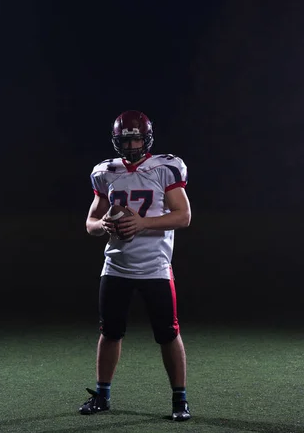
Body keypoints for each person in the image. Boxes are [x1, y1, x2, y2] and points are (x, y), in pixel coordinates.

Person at [80, 110, 192, 421]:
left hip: (155, 265)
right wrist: (102, 223)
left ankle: (179, 400)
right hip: (116, 266)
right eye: (126, 140)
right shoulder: (106, 171)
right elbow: (89, 223)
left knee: (168, 333)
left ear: (147, 138)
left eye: (137, 139)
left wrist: (141, 223)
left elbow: (183, 216)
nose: (131, 146)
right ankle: (102, 395)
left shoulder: (165, 167)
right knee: (110, 332)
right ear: (117, 141)